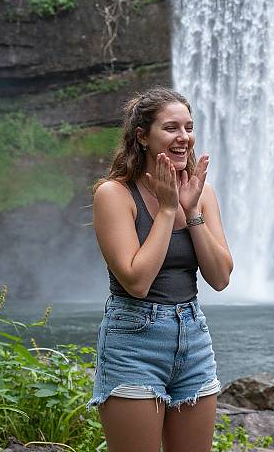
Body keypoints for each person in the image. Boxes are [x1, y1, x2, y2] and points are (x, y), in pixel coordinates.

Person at [87, 86, 233, 452]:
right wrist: (168, 211)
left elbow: (220, 278)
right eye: (170, 128)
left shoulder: (203, 193)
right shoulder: (114, 194)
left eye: (189, 127)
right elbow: (136, 281)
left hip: (194, 338)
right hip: (133, 339)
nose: (183, 137)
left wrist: (192, 211)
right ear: (142, 137)